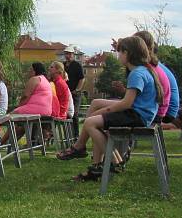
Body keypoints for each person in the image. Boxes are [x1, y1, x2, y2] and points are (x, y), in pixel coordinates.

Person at [61, 36, 162, 181]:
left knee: (90, 122)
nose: (118, 55)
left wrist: (104, 112)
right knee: (95, 108)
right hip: (139, 114)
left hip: (137, 116)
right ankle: (94, 161)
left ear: (128, 53)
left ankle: (115, 161)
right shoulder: (142, 70)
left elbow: (126, 103)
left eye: (119, 52)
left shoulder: (137, 73)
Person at [1, 62, 53, 142]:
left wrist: (19, 107)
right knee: (22, 126)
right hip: (46, 111)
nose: (29, 71)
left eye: (31, 69)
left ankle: (0, 141)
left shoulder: (35, 79)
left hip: (36, 109)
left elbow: (25, 96)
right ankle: (9, 143)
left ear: (35, 71)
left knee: (8, 118)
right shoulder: (45, 80)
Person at [63, 47, 84, 138]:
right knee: (64, 114)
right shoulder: (63, 65)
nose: (69, 55)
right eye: (67, 53)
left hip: (75, 94)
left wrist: (77, 90)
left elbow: (82, 79)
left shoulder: (77, 65)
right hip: (65, 93)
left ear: (73, 55)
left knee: (74, 114)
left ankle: (76, 136)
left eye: (70, 54)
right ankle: (68, 135)